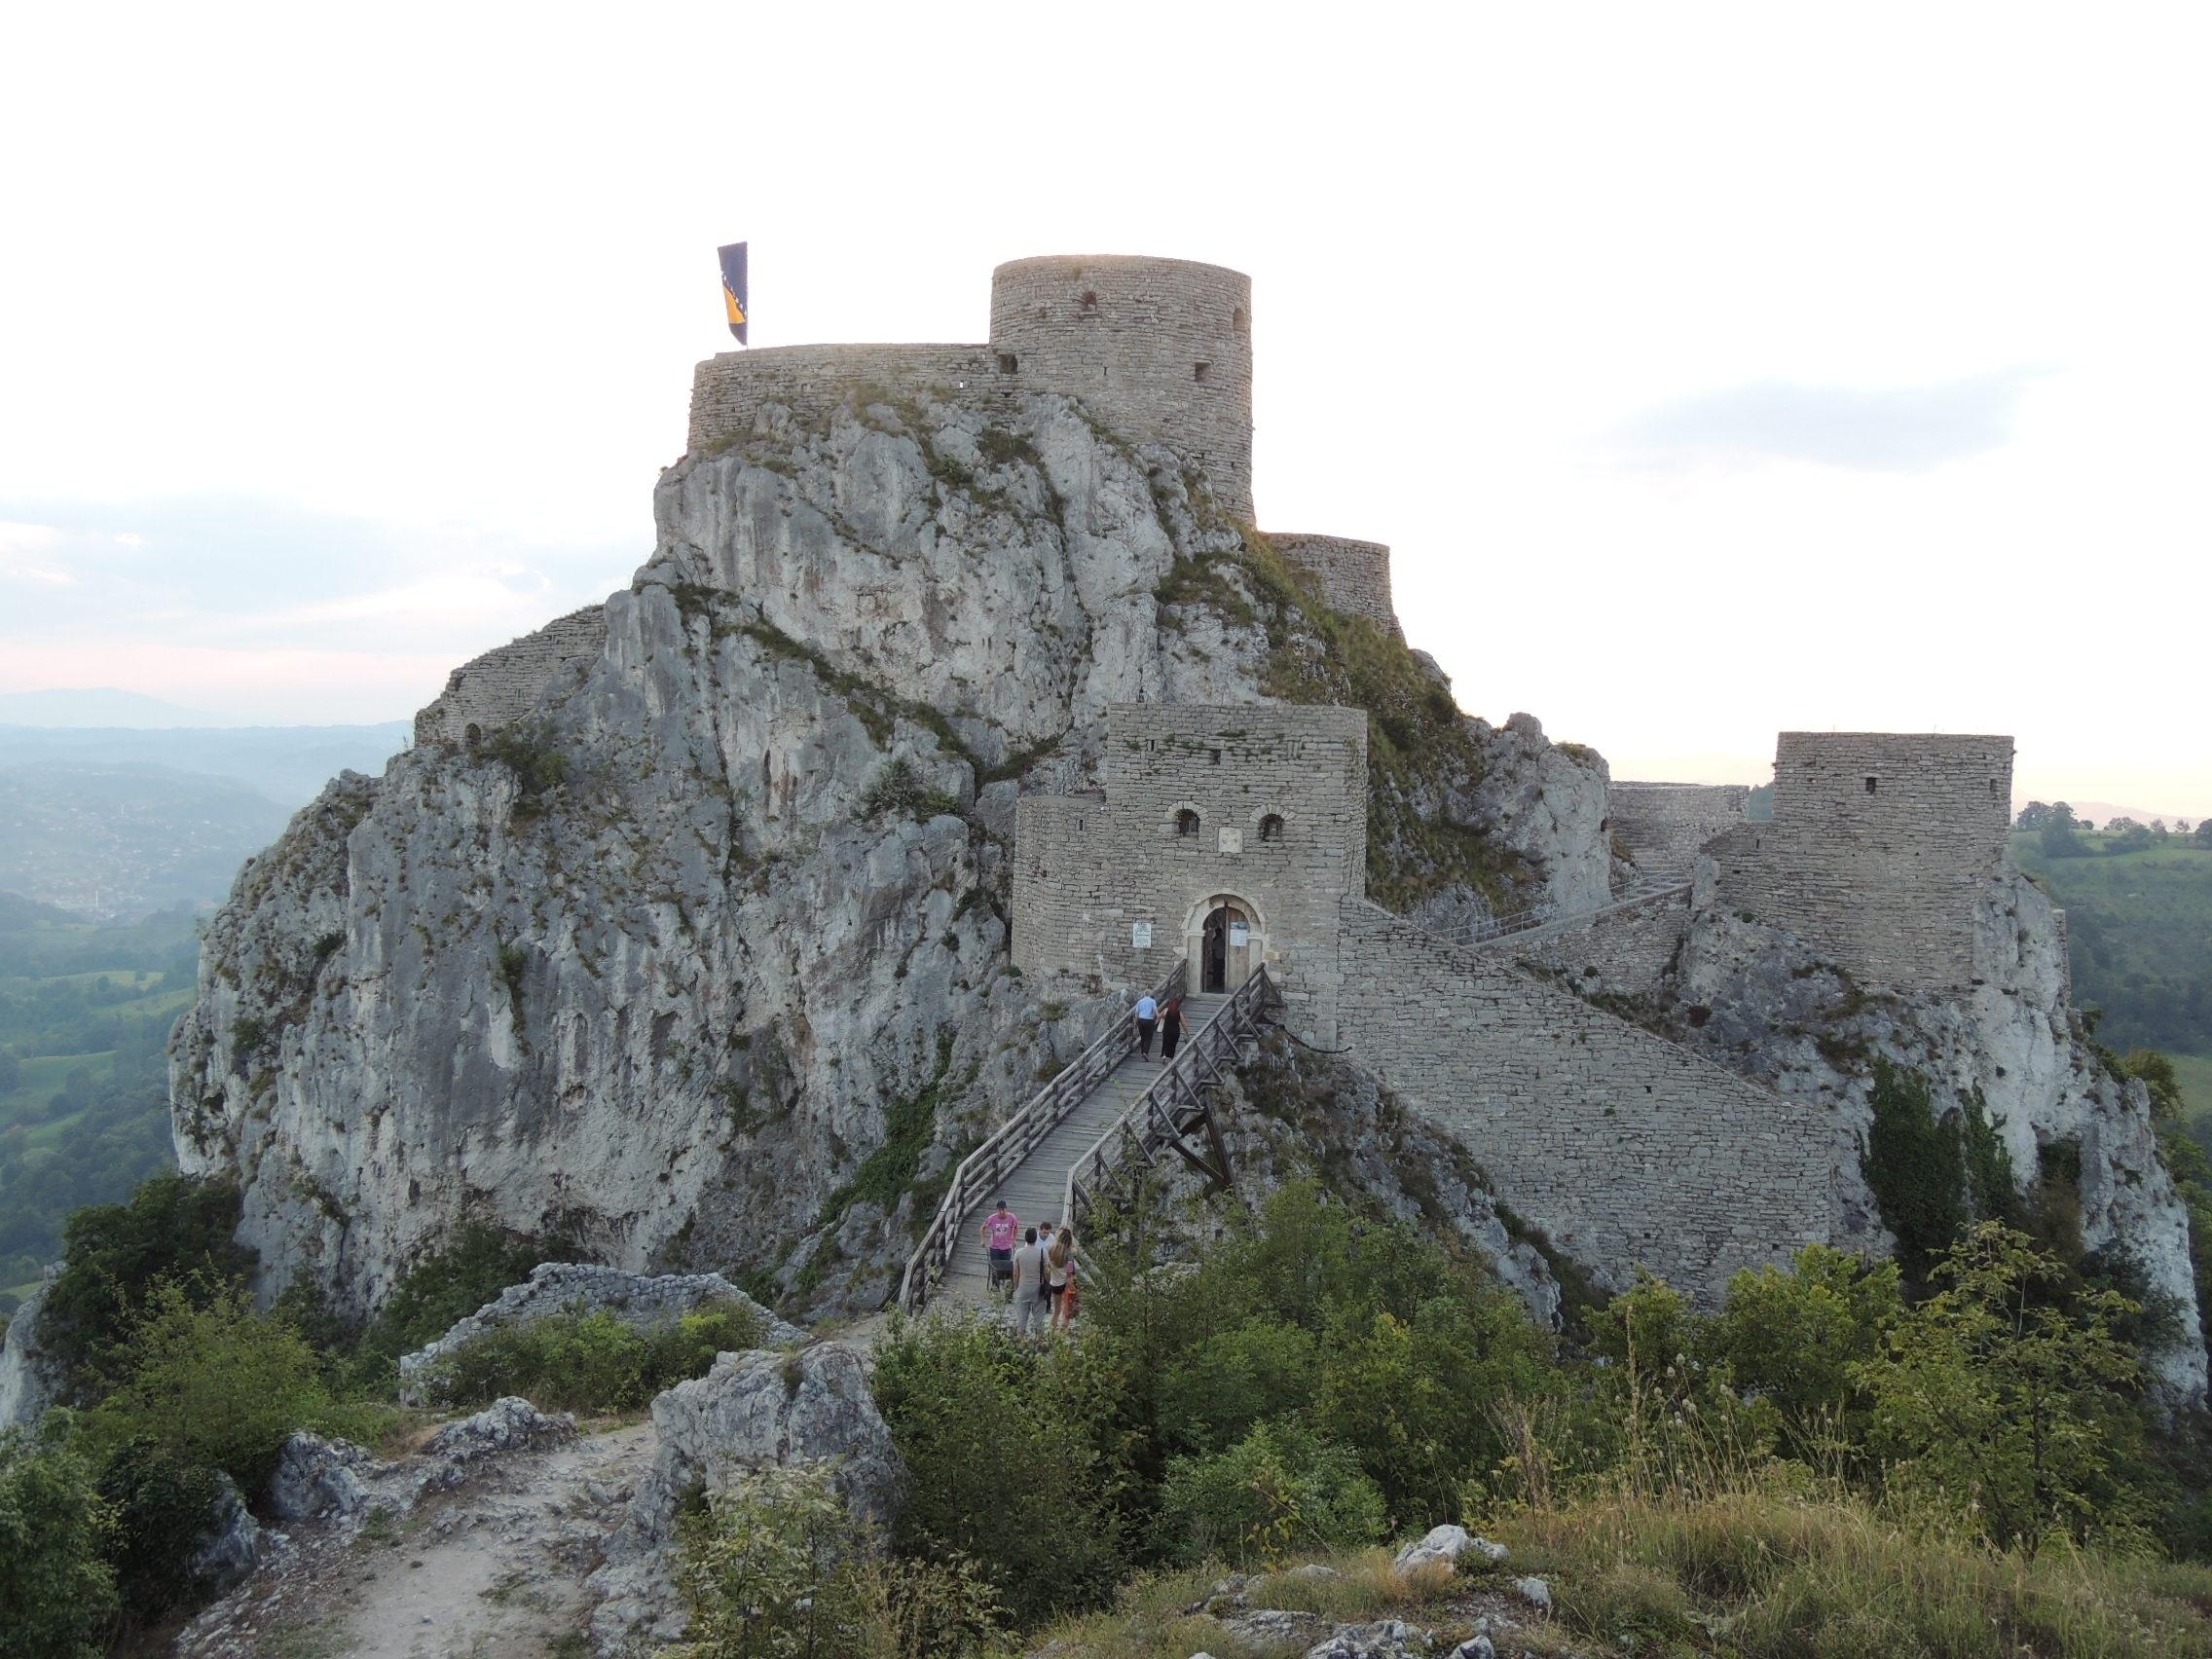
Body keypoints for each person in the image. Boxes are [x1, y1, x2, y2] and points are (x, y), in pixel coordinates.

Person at [1010, 1225, 1050, 1338]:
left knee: (1022, 1320)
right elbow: (1046, 1271)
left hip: (1023, 1288)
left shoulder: (1018, 1253)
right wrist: (1048, 1284)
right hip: (1038, 1288)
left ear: (1025, 1238)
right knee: (1039, 1319)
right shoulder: (1043, 1252)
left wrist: (1016, 1288)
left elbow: (1016, 1273)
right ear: (1036, 1239)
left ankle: (1020, 1343)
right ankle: (1040, 1342)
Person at [980, 1198, 1020, 1297]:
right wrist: (982, 1240)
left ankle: (1008, 1289)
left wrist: (1014, 1239)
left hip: (1007, 1247)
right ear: (997, 1210)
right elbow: (982, 1227)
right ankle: (995, 1289)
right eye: (999, 1210)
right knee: (995, 1268)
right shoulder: (992, 1218)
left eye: (1003, 1210)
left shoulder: (1012, 1218)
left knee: (1007, 1269)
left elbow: (1016, 1228)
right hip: (995, 1247)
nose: (1001, 1212)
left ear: (1006, 1209)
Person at [1047, 1225, 1076, 1332]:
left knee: (1056, 1311)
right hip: (1066, 1284)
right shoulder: (1070, 1253)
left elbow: (1047, 1267)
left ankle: (1052, 1333)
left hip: (1054, 1284)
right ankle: (1063, 1334)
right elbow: (1070, 1272)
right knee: (1066, 1311)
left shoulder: (1050, 1250)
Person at [1159, 996, 1185, 1063]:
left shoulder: (1166, 1010)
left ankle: (1164, 1056)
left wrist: (1161, 1016)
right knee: (1173, 1045)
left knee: (1165, 1043)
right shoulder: (1179, 1012)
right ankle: (1170, 1058)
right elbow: (1184, 1024)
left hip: (1166, 1030)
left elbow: (1159, 1016)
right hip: (1175, 1031)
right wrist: (1187, 1033)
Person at [1134, 990, 1159, 1058]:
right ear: (1150, 994)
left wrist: (1135, 1023)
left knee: (1143, 1037)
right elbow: (1155, 1010)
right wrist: (1158, 1017)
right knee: (1149, 1037)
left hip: (1141, 1020)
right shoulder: (1152, 1001)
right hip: (1149, 1021)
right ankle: (1145, 1052)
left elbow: (1136, 1013)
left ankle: (1142, 1052)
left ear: (1144, 994)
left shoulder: (1140, 1001)